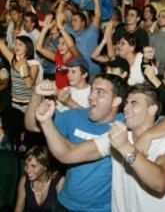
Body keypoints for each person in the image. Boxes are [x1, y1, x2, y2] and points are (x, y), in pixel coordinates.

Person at [33, 83, 165, 212]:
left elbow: (160, 183)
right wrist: (46, 122)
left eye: (134, 103)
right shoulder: (117, 136)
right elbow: (67, 153)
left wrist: (127, 148)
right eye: (126, 103)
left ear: (152, 109)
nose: (126, 108)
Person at [25, 73, 126, 212]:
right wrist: (37, 94)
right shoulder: (76, 116)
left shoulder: (125, 125)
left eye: (100, 92)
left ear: (116, 101)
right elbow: (31, 125)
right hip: (64, 204)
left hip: (101, 209)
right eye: (92, 91)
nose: (91, 97)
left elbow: (164, 121)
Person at [14, 145, 65, 212]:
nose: (28, 170)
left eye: (33, 166)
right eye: (26, 165)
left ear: (45, 166)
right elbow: (18, 209)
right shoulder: (24, 180)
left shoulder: (59, 182)